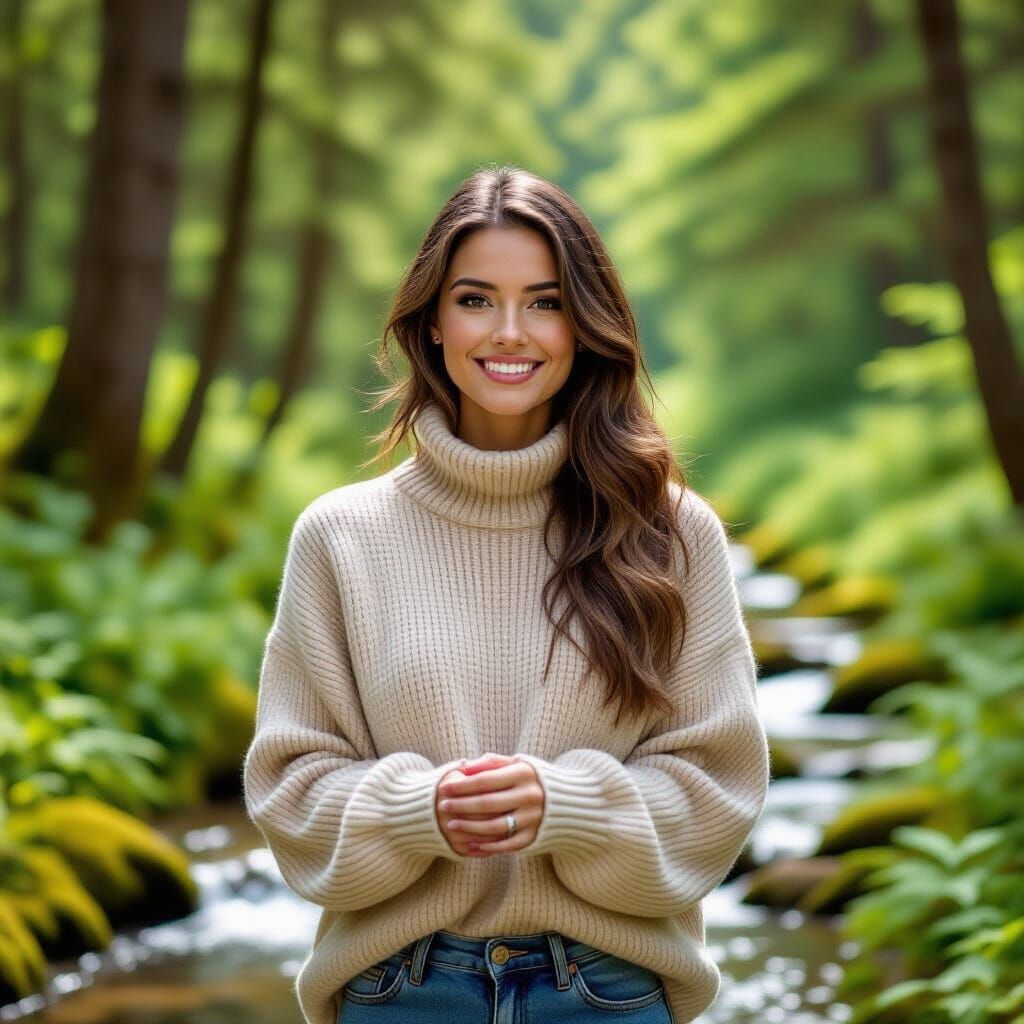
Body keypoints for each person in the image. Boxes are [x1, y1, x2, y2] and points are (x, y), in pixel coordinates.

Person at [242, 164, 770, 1024]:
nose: (512, 332)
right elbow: (289, 789)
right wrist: (420, 812)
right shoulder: (341, 536)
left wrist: (570, 807)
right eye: (477, 299)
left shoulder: (672, 534)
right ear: (432, 322)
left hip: (610, 991)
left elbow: (720, 792)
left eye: (548, 301)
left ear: (586, 325)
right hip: (397, 991)